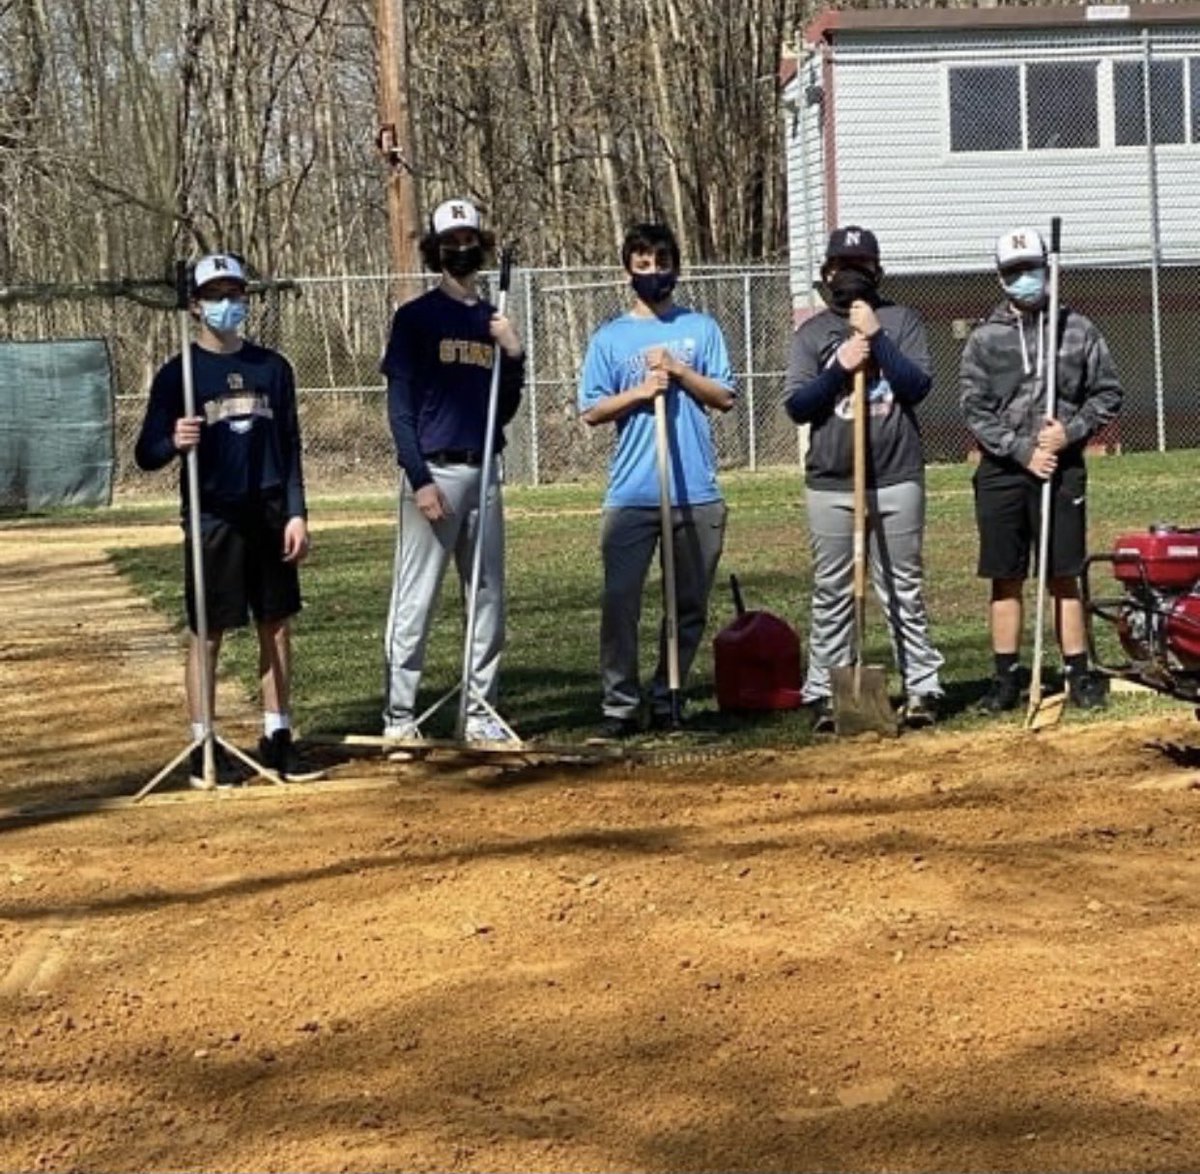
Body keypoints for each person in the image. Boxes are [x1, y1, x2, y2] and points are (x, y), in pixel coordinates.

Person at [135, 252, 321, 787]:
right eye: (215, 295)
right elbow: (145, 453)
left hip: (267, 508)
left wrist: (296, 512)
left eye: (234, 294)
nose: (227, 304)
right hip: (211, 512)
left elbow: (289, 446)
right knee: (208, 630)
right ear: (195, 305)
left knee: (276, 622)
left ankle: (278, 734)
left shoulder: (273, 368)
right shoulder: (180, 374)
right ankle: (203, 743)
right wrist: (174, 440)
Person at [578, 222, 736, 739]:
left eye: (661, 263)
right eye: (642, 264)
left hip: (696, 491)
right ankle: (620, 705)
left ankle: (669, 694)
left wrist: (680, 373)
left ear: (676, 266)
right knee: (620, 600)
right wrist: (643, 391)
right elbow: (593, 410)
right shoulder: (610, 337)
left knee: (686, 604)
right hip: (632, 494)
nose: (653, 273)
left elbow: (725, 397)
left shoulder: (701, 329)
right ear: (629, 269)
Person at [784, 225, 945, 732]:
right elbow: (798, 405)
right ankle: (825, 692)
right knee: (832, 589)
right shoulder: (811, 334)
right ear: (826, 272)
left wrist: (876, 338)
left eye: (860, 265)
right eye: (839, 266)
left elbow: (917, 387)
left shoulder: (902, 320)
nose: (848, 276)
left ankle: (921, 686)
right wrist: (839, 367)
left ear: (877, 270)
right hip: (833, 481)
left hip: (895, 475)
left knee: (902, 585)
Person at [960, 226, 1123, 713]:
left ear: (1047, 269)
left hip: (1062, 469)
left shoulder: (1077, 330)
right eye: (1013, 272)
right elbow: (973, 407)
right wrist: (1021, 449)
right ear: (1001, 278)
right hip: (1004, 471)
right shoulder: (985, 339)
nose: (1023, 279)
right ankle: (1006, 678)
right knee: (1004, 576)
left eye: (1030, 269)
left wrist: (1069, 432)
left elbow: (1108, 392)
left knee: (1063, 574)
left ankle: (1077, 674)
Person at [380, 197, 525, 744]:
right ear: (435, 252)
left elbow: (503, 408)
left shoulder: (492, 320)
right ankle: (399, 717)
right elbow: (400, 408)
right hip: (434, 474)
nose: (461, 250)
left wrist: (513, 355)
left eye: (469, 240)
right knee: (415, 596)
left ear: (482, 246)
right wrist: (418, 478)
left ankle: (480, 711)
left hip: (483, 469)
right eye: (450, 243)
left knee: (486, 595)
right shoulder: (415, 319)